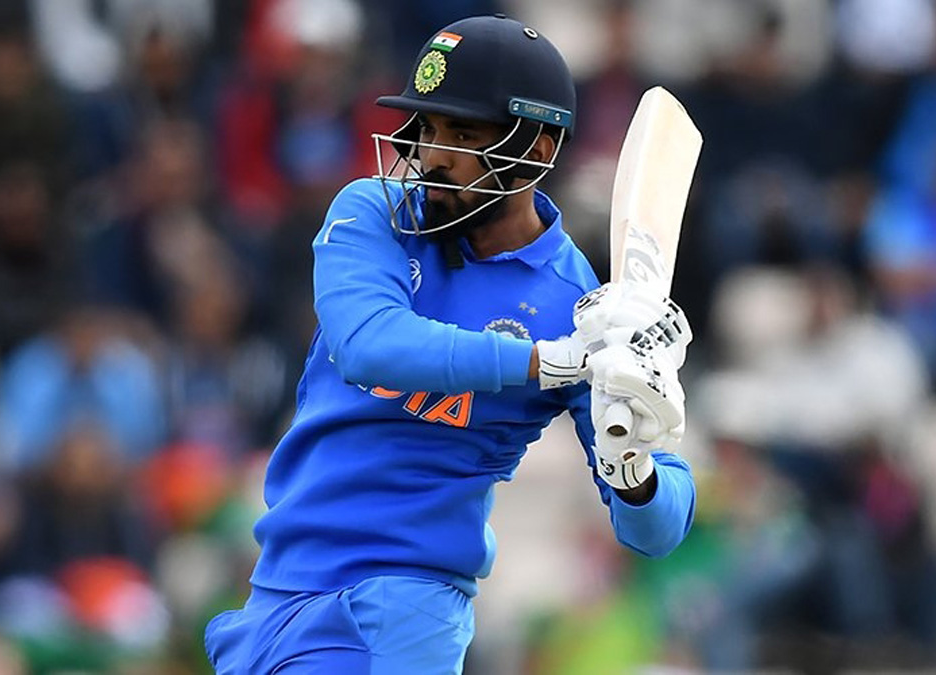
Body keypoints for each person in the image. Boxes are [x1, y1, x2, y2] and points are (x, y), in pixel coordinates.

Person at [204, 14, 697, 673]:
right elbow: (369, 343)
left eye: (462, 134)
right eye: (428, 129)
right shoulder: (374, 213)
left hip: (399, 608)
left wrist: (632, 467)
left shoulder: (577, 308)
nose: (434, 155)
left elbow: (656, 533)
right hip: (279, 592)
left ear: (538, 149)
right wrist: (542, 361)